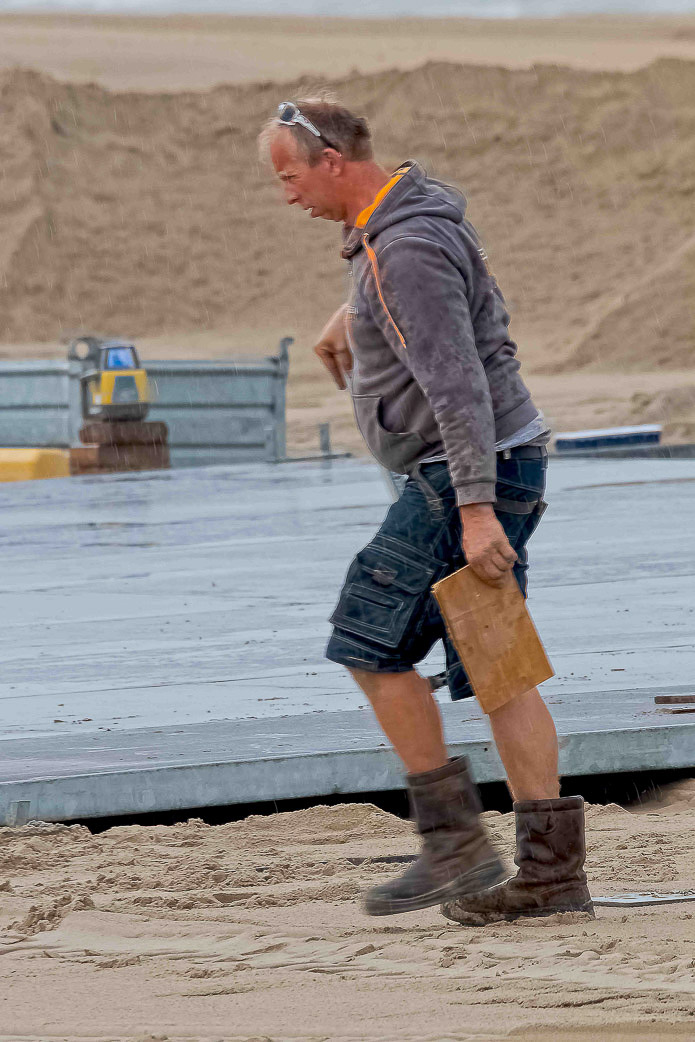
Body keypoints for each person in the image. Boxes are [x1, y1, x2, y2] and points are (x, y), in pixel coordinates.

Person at [259, 99, 593, 924]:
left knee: (365, 639)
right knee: (497, 668)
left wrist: (474, 511)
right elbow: (447, 304)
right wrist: (357, 311)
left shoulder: (401, 248)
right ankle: (550, 877)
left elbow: (457, 384)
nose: (286, 194)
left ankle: (454, 847)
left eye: (289, 175)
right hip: (501, 464)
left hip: (465, 475)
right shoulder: (407, 220)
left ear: (332, 160)